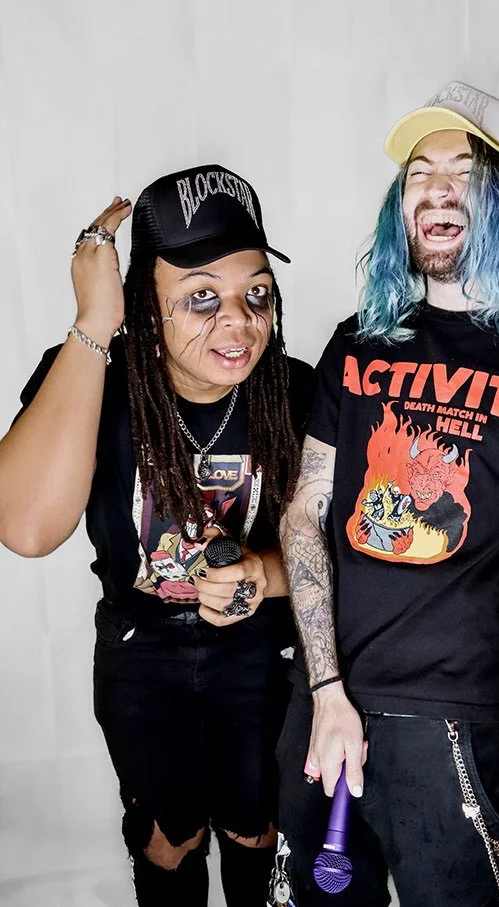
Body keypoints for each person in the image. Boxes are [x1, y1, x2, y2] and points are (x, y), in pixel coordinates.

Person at [278, 81, 499, 906]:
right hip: (322, 715)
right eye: (420, 172)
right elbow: (306, 513)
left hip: (447, 727)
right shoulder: (356, 345)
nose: (437, 187)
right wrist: (325, 692)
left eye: (466, 170)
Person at [0, 164, 314, 906]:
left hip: (259, 649)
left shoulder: (296, 390)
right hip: (141, 652)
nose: (238, 321)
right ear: (147, 302)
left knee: (257, 829)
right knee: (167, 839)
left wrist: (264, 573)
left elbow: (343, 549)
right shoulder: (94, 375)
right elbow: (26, 527)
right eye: (201, 296)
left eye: (256, 293)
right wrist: (93, 323)